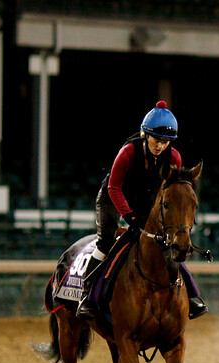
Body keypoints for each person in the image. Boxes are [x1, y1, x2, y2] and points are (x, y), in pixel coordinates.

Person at [76, 101, 208, 320]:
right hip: (113, 198)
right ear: (145, 135)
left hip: (147, 201)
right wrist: (129, 217)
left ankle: (193, 296)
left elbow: (169, 191)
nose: (160, 146)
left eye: (165, 142)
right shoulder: (128, 152)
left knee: (169, 244)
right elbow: (114, 187)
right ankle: (87, 296)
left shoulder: (174, 157)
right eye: (156, 140)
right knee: (106, 242)